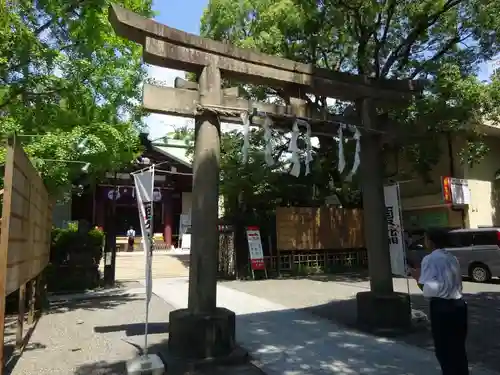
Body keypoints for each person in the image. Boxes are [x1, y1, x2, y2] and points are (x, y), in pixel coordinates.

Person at [409, 229, 469, 375]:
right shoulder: (452, 258)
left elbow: (429, 289)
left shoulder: (429, 259)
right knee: (458, 349)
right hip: (459, 305)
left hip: (442, 307)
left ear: (430, 241)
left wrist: (417, 277)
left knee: (444, 351)